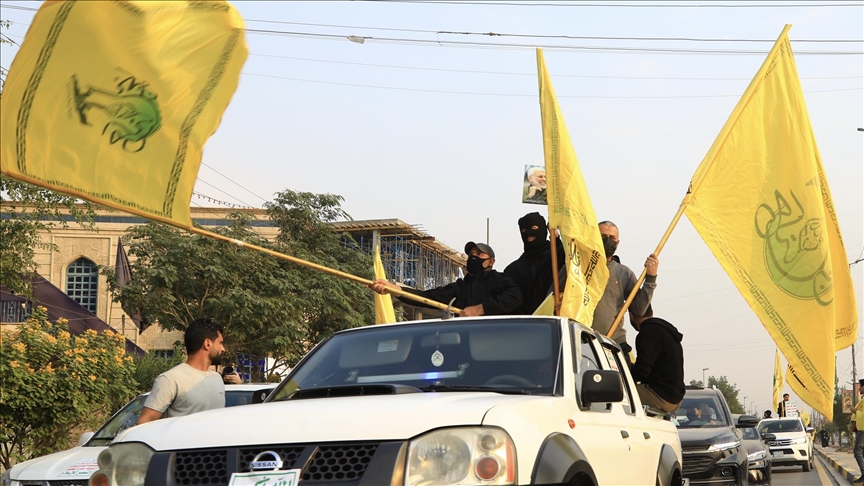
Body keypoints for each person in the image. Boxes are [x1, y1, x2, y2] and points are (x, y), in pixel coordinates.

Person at [371, 242, 523, 317]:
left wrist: (479, 309)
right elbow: (427, 297)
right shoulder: (460, 287)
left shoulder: (500, 280)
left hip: (495, 341)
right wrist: (395, 289)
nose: (474, 257)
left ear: (491, 261)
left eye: (479, 254)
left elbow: (514, 297)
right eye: (471, 254)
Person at [137, 318, 227, 425]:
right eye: (220, 343)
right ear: (207, 344)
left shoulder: (217, 378)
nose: (223, 349)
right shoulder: (170, 380)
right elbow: (144, 423)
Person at [592, 220, 659, 351]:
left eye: (612, 238)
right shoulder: (577, 266)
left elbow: (639, 309)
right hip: (582, 339)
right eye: (603, 236)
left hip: (613, 342)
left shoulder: (624, 273)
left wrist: (651, 278)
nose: (608, 240)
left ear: (617, 243)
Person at [504, 212, 565, 315]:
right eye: (524, 231)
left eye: (534, 228)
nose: (528, 234)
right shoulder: (513, 270)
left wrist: (556, 237)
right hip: (527, 323)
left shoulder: (557, 257)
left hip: (556, 320)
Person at [628, 305, 684, 413]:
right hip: (676, 398)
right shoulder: (665, 331)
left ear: (631, 316)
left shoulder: (648, 332)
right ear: (652, 312)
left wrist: (624, 373)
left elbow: (642, 372)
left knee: (617, 391)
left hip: (661, 395)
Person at [853, 379, 864, 483]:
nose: (859, 388)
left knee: (857, 451)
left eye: (860, 386)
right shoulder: (862, 399)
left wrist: (855, 411)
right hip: (860, 428)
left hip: (863, 428)